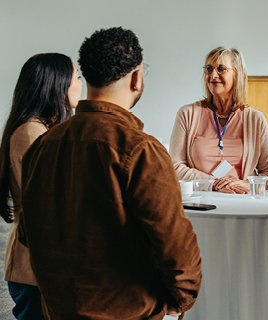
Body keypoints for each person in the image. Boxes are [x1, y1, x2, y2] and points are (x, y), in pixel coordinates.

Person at [20, 27, 202, 319]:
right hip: (130, 312)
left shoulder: (41, 146)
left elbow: (28, 235)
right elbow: (176, 249)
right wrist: (178, 302)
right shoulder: (141, 149)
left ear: (87, 77)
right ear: (137, 77)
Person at [0, 53, 82, 320]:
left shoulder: (43, 130)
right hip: (34, 270)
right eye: (77, 77)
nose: (81, 83)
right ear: (57, 84)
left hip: (42, 266)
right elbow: (53, 199)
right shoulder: (31, 134)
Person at [170, 47, 268, 193]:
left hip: (243, 203)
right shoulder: (187, 114)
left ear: (237, 74)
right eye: (209, 69)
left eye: (221, 69)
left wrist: (247, 184)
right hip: (200, 201)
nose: (213, 75)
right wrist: (213, 183)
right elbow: (174, 166)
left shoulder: (255, 119)